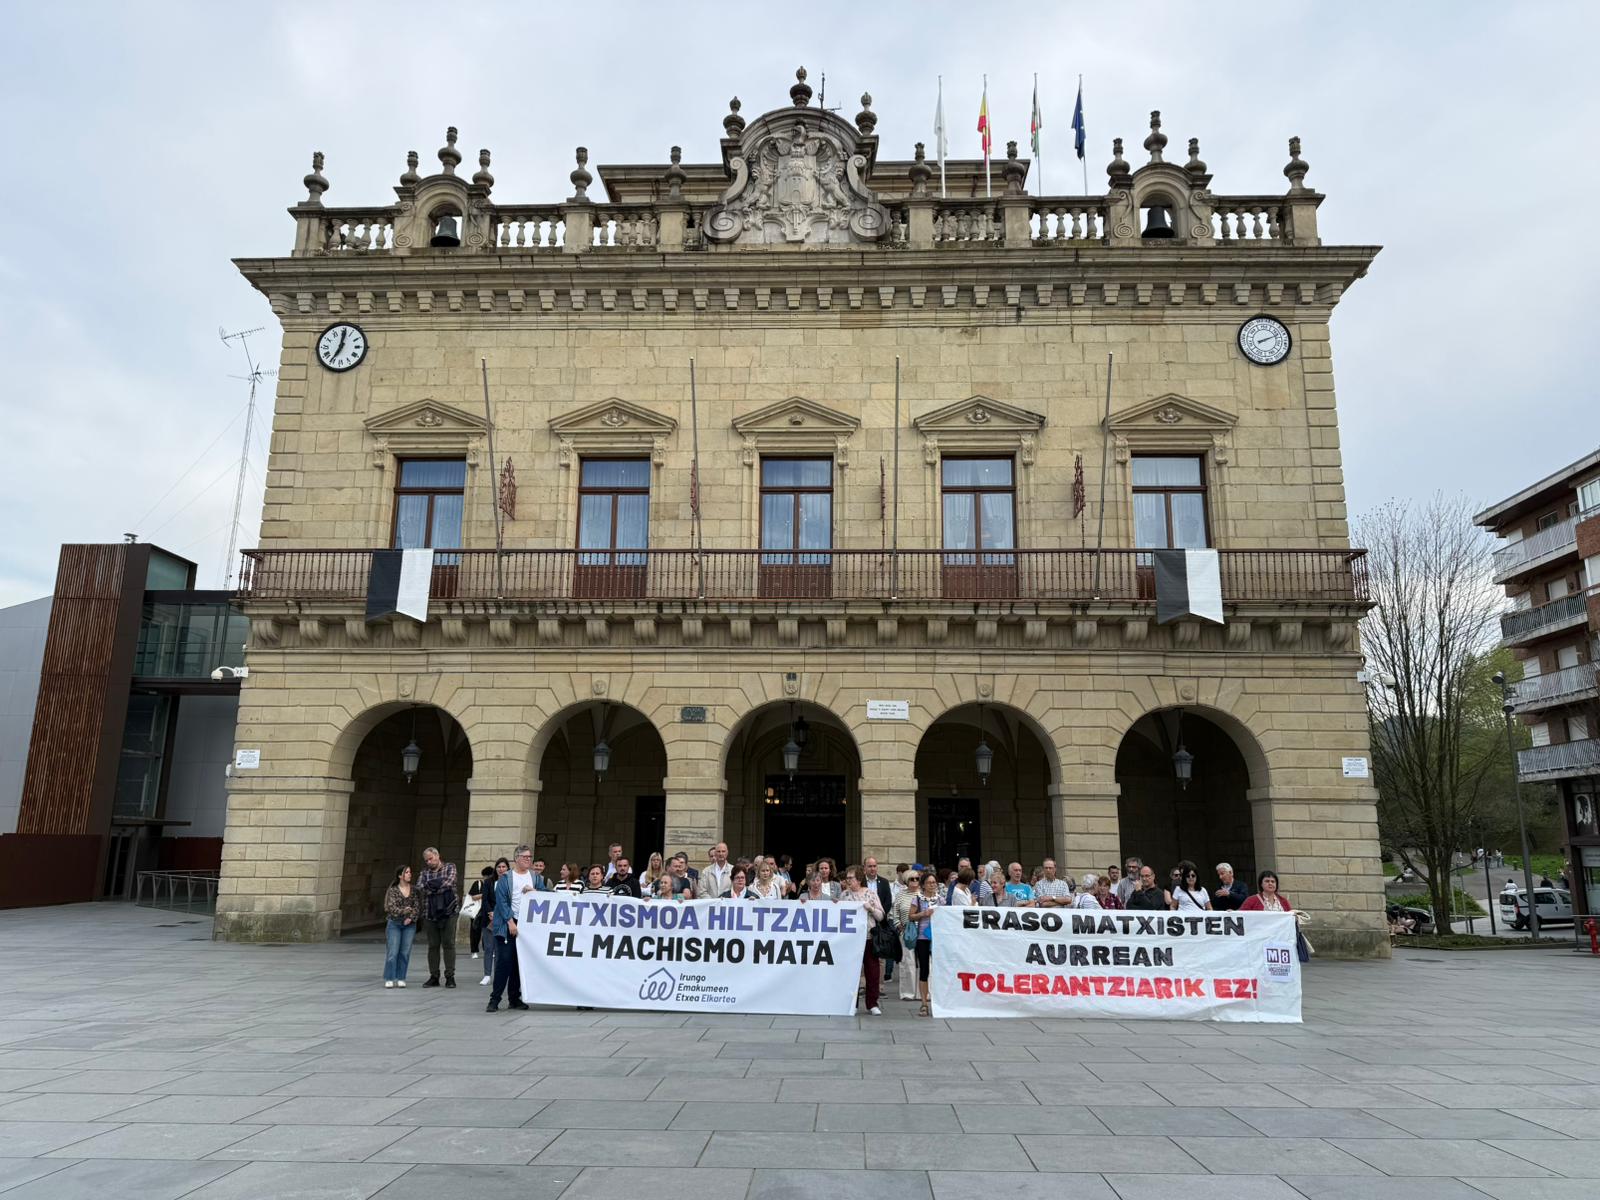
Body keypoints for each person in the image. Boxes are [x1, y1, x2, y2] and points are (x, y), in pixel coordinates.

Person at [487, 845, 537, 1012]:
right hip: (508, 923)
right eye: (525, 857)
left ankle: (514, 998)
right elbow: (501, 902)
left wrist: (534, 891)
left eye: (529, 857)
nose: (528, 859)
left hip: (527, 923)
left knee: (518, 963)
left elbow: (544, 894)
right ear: (516, 858)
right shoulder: (506, 878)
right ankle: (494, 999)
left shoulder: (534, 877)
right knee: (504, 961)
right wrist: (510, 922)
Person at [840, 865, 885, 1015]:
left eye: (851, 878)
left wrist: (870, 909)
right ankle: (852, 1003)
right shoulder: (844, 895)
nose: (848, 880)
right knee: (851, 972)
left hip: (868, 938)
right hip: (851, 940)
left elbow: (881, 916)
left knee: (872, 971)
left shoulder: (870, 894)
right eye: (847, 878)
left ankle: (872, 1003)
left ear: (859, 879)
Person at [417, 846, 459, 988]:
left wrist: (431, 886)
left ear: (437, 855)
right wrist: (437, 885)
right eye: (426, 860)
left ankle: (450, 976)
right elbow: (420, 887)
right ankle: (434, 976)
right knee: (433, 945)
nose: (429, 862)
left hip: (449, 912)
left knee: (448, 944)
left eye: (430, 858)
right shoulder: (424, 872)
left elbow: (450, 882)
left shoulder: (450, 867)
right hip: (430, 913)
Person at [910, 871, 942, 1016]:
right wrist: (923, 914)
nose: (932, 885)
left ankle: (938, 1001)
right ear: (923, 885)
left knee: (939, 970)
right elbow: (911, 916)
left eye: (934, 882)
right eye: (929, 883)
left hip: (938, 938)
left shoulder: (941, 900)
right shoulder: (917, 899)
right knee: (924, 970)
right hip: (922, 938)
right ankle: (924, 1003)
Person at [383, 865, 420, 988]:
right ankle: (389, 977)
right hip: (394, 923)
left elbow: (417, 907)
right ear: (400, 875)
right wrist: (405, 911)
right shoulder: (393, 890)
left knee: (405, 952)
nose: (410, 874)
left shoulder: (414, 890)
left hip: (409, 925)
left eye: (410, 872)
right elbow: (391, 908)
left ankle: (401, 977)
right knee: (393, 952)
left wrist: (411, 918)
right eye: (407, 872)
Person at [475, 858, 508, 985]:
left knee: (500, 950)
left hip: (504, 919)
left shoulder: (511, 882)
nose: (501, 869)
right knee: (489, 948)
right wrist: (490, 912)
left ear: (507, 868)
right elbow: (485, 900)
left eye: (504, 867)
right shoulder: (489, 882)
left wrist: (501, 914)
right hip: (489, 919)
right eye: (499, 867)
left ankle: (498, 975)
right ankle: (487, 975)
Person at [892, 868, 922, 1002]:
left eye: (917, 879)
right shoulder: (900, 895)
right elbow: (895, 913)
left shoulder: (923, 894)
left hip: (923, 932)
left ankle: (922, 992)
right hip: (906, 932)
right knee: (907, 962)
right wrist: (898, 926)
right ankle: (908, 993)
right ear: (906, 881)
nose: (915, 881)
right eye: (911, 879)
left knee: (924, 962)